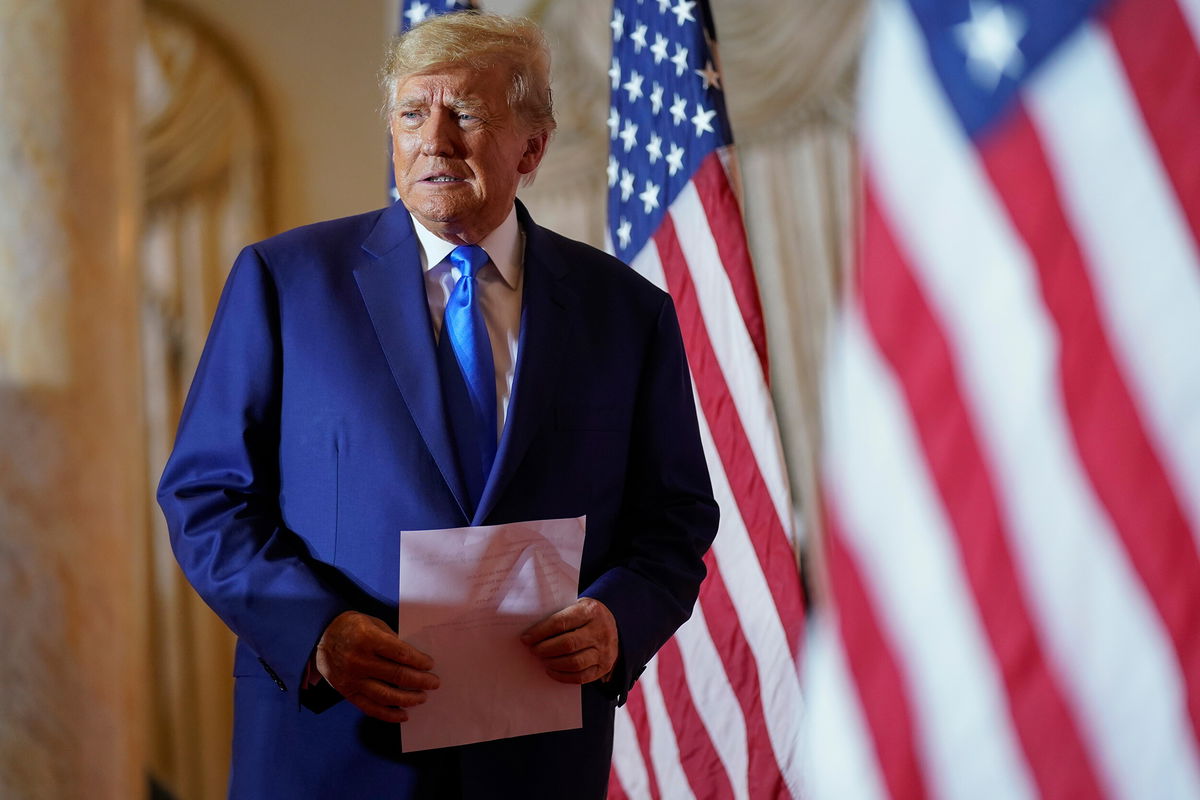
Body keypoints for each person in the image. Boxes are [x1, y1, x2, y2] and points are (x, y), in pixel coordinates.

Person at [158, 11, 718, 800]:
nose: (435, 141)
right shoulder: (284, 283)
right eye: (413, 113)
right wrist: (317, 631)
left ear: (532, 147)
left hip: (536, 762)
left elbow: (676, 517)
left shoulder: (627, 313)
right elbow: (204, 497)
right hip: (336, 750)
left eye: (468, 114)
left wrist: (620, 619)